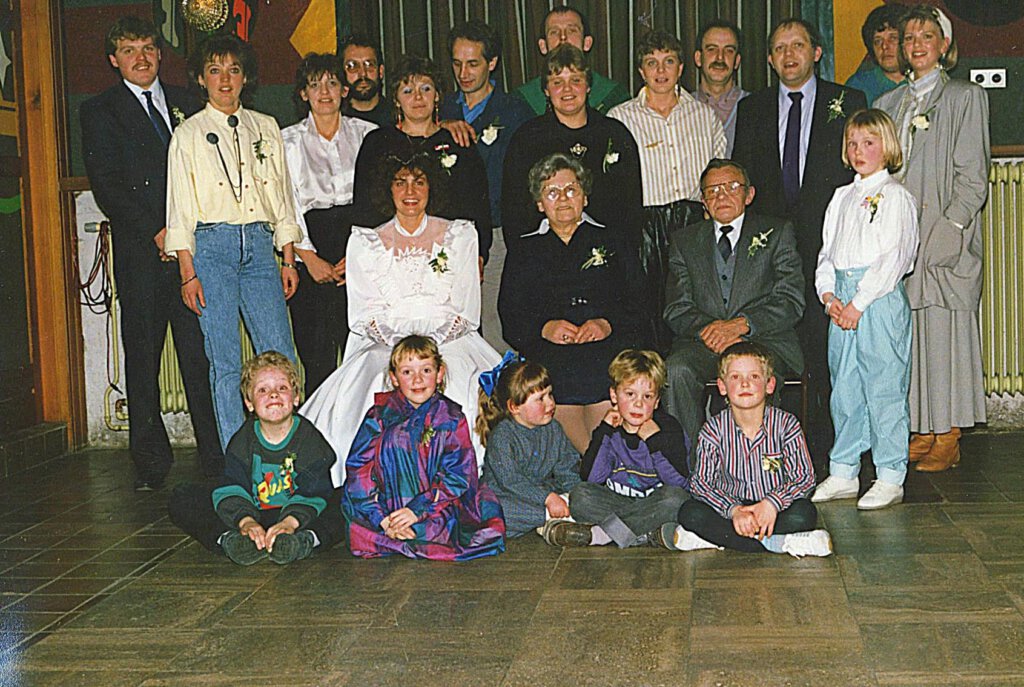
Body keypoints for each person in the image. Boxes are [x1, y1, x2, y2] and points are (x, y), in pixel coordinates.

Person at [80, 16, 222, 490]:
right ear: (113, 60)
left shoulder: (188, 102)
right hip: (143, 255)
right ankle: (150, 466)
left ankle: (216, 458)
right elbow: (108, 186)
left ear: (160, 54)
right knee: (143, 360)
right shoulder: (99, 111)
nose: (140, 58)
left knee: (200, 358)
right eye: (129, 50)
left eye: (147, 47)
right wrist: (157, 232)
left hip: (193, 256)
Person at [301, 153, 501, 485]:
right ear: (388, 189)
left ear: (431, 187)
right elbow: (363, 314)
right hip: (385, 342)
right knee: (374, 384)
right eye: (400, 182)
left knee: (465, 385)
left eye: (419, 182)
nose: (410, 191)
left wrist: (429, 348)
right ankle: (381, 482)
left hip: (450, 340)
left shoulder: (461, 235)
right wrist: (404, 349)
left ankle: (458, 480)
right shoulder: (365, 242)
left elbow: (467, 309)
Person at [732, 18, 867, 461]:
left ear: (816, 52)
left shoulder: (848, 102)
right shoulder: (752, 109)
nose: (789, 55)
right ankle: (775, 450)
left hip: (830, 247)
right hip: (771, 254)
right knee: (777, 350)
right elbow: (744, 180)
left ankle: (830, 452)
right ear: (770, 59)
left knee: (828, 355)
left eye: (798, 45)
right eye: (779, 48)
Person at [164, 34, 301, 453]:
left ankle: (286, 455)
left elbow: (283, 197)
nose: (225, 80)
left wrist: (288, 259)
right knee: (224, 362)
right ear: (201, 79)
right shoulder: (188, 133)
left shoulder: (266, 126)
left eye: (234, 70)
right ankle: (237, 461)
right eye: (215, 70)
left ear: (246, 77)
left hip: (260, 248)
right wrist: (188, 273)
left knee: (281, 355)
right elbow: (180, 209)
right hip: (212, 250)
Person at [876, 4, 989, 472]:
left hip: (943, 239)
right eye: (909, 37)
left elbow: (973, 180)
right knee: (913, 340)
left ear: (944, 45)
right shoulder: (889, 104)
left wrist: (948, 234)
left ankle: (949, 433)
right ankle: (923, 428)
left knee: (945, 337)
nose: (916, 44)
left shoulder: (964, 97)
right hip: (900, 241)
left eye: (926, 36)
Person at [499, 153, 644, 453]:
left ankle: (598, 466)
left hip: (607, 344)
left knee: (608, 377)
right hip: (551, 351)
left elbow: (639, 300)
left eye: (571, 189)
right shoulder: (524, 249)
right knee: (556, 380)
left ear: (585, 197)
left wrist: (606, 324)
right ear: (540, 203)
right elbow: (510, 314)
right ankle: (595, 465)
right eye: (552, 192)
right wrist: (544, 329)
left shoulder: (613, 240)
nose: (563, 198)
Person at [811, 109, 918, 510]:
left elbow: (895, 258)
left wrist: (859, 303)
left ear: (886, 147)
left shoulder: (896, 197)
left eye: (868, 143)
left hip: (876, 299)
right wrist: (829, 297)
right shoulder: (841, 197)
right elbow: (827, 254)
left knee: (884, 386)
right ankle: (844, 469)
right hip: (842, 301)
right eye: (852, 143)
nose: (859, 151)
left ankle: (890, 474)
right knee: (845, 387)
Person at [663, 159, 804, 449]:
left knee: (752, 372)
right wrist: (712, 331)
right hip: (705, 344)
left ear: (749, 194)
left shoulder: (777, 232)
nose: (722, 196)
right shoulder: (684, 242)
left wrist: (743, 326)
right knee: (676, 370)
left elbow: (790, 300)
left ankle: (760, 461)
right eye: (712, 191)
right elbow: (677, 308)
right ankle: (690, 464)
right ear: (703, 201)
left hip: (764, 340)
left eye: (731, 187)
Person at [609, 30, 726, 351]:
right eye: (652, 63)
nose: (661, 71)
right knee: (649, 312)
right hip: (644, 227)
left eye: (669, 62)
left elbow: (719, 172)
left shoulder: (703, 115)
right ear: (641, 71)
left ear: (681, 67)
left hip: (693, 222)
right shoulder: (620, 118)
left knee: (696, 307)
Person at [167, 352, 343, 564]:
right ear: (249, 403)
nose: (274, 394)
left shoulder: (310, 440)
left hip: (298, 519)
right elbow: (232, 485)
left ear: (296, 397)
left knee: (346, 500)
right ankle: (232, 541)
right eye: (263, 390)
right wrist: (246, 522)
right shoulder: (242, 440)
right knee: (183, 496)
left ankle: (304, 542)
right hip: (253, 514)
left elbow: (314, 490)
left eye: (282, 388)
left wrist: (290, 523)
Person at [342, 336, 506, 560]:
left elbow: (458, 475)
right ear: (394, 378)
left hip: (434, 507)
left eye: (426, 370)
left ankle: (408, 536)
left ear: (439, 374)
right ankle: (393, 533)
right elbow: (359, 468)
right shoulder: (379, 415)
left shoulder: (450, 417)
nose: (417, 379)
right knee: (356, 526)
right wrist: (383, 519)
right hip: (386, 509)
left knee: (458, 526)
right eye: (407, 372)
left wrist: (416, 510)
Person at [669, 343, 832, 557]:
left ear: (770, 385)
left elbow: (804, 477)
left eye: (754, 376)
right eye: (735, 377)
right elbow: (701, 483)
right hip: (731, 510)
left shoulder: (786, 424)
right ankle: (778, 543)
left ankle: (717, 538)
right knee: (690, 512)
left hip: (774, 508)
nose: (745, 383)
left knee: (804, 514)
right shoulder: (713, 429)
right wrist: (734, 510)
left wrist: (772, 503)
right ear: (722, 386)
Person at [282, 53, 377, 397]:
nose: (324, 92)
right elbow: (286, 203)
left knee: (362, 357)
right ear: (303, 93)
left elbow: (376, 202)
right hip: (311, 248)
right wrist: (308, 258)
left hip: (358, 249)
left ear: (344, 90)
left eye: (332, 83)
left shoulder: (368, 135)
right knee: (317, 357)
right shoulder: (287, 141)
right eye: (315, 85)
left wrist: (358, 256)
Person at [439, 20, 535, 351]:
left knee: (493, 324)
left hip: (496, 233)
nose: (463, 73)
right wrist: (441, 126)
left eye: (473, 63)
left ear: (492, 63)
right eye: (457, 64)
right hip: (448, 235)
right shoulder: (442, 107)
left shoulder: (514, 112)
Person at [351, 55, 492, 270]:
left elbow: (478, 206)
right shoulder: (377, 142)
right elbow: (364, 207)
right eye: (408, 91)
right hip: (389, 257)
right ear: (396, 99)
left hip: (449, 256)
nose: (418, 97)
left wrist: (479, 253)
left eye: (426, 89)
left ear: (437, 95)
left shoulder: (458, 142)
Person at [501, 44, 642, 258]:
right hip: (546, 255)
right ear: (546, 90)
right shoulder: (527, 138)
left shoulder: (614, 133)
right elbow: (514, 211)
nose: (567, 90)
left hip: (608, 253)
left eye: (576, 80)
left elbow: (631, 206)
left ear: (588, 85)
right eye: (557, 82)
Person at [544, 350, 689, 548]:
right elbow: (593, 478)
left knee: (676, 499)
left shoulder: (668, 428)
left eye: (647, 396)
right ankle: (646, 533)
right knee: (580, 496)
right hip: (622, 504)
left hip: (656, 502)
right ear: (614, 395)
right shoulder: (609, 430)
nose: (638, 403)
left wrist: (654, 441)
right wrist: (604, 432)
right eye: (630, 394)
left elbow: (679, 482)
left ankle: (603, 534)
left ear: (656, 402)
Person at [477, 353, 581, 538]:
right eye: (540, 399)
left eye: (550, 394)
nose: (550, 403)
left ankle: (554, 519)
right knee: (491, 510)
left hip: (542, 492)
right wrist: (547, 499)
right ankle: (550, 517)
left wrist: (574, 494)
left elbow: (567, 466)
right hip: (506, 494)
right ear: (514, 407)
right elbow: (510, 481)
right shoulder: (502, 436)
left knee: (586, 495)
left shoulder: (554, 429)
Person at [515, 5, 629, 116]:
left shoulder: (614, 97)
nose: (563, 37)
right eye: (554, 32)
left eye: (572, 31)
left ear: (587, 43)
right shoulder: (521, 101)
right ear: (542, 46)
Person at [693, 19, 749, 156]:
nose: (720, 57)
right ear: (698, 58)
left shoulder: (757, 107)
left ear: (737, 61)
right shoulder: (681, 108)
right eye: (711, 49)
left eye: (729, 51)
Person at [846, 4, 909, 106]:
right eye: (878, 41)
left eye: (893, 38)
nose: (884, 46)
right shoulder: (859, 85)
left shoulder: (922, 79)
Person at [339, 34, 393, 127]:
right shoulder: (335, 121)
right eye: (352, 66)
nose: (363, 73)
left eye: (369, 65)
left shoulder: (396, 117)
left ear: (380, 71)